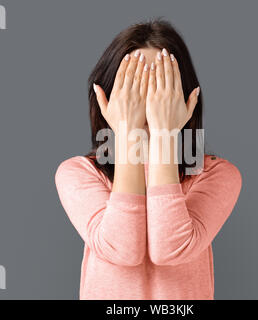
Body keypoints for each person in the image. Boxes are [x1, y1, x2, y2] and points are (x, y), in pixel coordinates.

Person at [55, 18, 242, 300]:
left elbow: (171, 249)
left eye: (161, 87)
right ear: (106, 98)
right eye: (133, 87)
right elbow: (122, 249)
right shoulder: (78, 173)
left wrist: (164, 134)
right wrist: (129, 134)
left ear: (186, 99)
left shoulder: (217, 175)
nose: (149, 102)